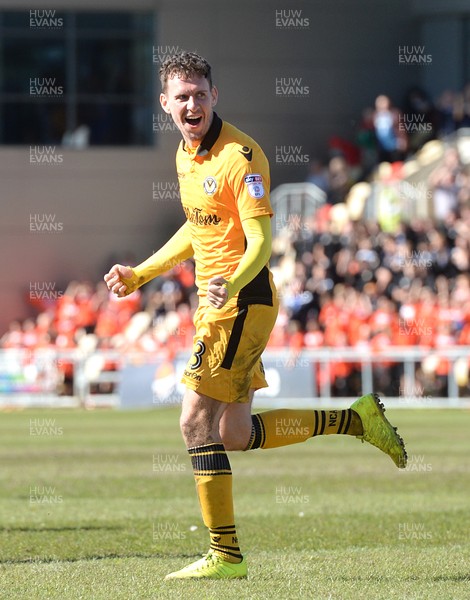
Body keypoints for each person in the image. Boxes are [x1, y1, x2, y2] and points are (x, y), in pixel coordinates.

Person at [104, 52, 407, 580]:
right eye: (182, 96)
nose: (192, 104)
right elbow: (196, 231)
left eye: (200, 93)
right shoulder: (186, 156)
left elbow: (264, 240)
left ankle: (225, 556)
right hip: (221, 304)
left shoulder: (241, 156)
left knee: (194, 421)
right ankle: (358, 419)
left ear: (214, 95)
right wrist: (140, 274)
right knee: (234, 435)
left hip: (240, 304)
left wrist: (232, 283)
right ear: (165, 104)